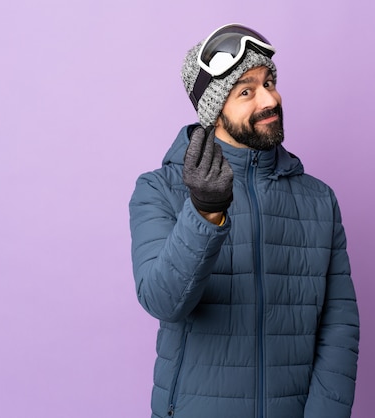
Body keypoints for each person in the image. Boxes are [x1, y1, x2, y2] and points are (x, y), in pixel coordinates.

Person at [129, 23, 359, 418]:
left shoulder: (319, 199)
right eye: (246, 91)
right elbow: (163, 301)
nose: (269, 99)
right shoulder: (159, 189)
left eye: (269, 82)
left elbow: (339, 327)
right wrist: (204, 212)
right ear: (214, 112)